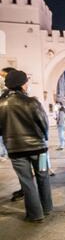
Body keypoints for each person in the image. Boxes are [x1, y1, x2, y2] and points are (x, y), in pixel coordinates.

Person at [0, 70, 53, 222]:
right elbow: (43, 123)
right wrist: (45, 138)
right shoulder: (32, 102)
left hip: (16, 151)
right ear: (23, 84)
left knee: (27, 181)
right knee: (43, 177)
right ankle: (47, 208)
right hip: (40, 150)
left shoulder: (1, 104)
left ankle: (36, 215)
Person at [0, 67, 25, 200]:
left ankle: (26, 190)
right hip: (11, 137)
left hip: (18, 138)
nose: (2, 80)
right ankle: (25, 188)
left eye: (4, 77)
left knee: (24, 169)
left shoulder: (14, 95)